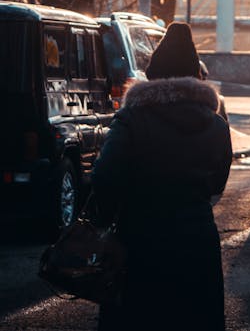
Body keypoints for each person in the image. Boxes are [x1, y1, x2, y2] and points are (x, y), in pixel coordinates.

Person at [92, 21, 233, 331]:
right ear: (196, 76)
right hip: (197, 243)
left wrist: (105, 218)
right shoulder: (216, 124)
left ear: (152, 74)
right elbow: (218, 183)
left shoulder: (131, 118)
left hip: (140, 242)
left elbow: (104, 177)